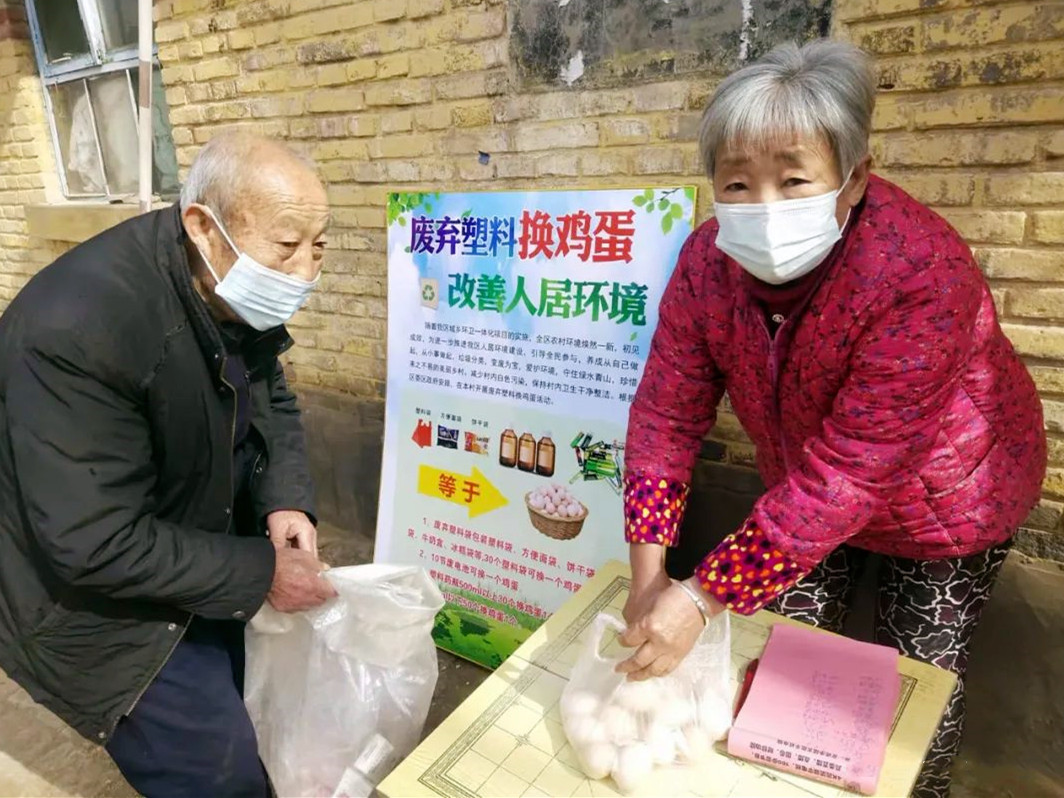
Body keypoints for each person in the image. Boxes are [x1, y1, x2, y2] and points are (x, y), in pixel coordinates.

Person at [616, 39, 1046, 798]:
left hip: (947, 502)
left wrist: (701, 598)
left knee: (915, 681)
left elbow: (852, 472)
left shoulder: (918, 269)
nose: (764, 207)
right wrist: (648, 578)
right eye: (737, 183)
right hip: (802, 497)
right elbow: (665, 413)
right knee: (788, 659)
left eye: (794, 179)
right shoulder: (707, 262)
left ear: (854, 178)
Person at [0, 132, 338, 797]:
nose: (304, 272)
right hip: (96, 605)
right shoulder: (75, 331)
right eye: (286, 245)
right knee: (218, 773)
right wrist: (264, 572)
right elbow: (93, 541)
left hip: (194, 538)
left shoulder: (224, 281)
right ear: (204, 226)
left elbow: (268, 389)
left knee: (244, 706)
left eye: (319, 245)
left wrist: (284, 497)